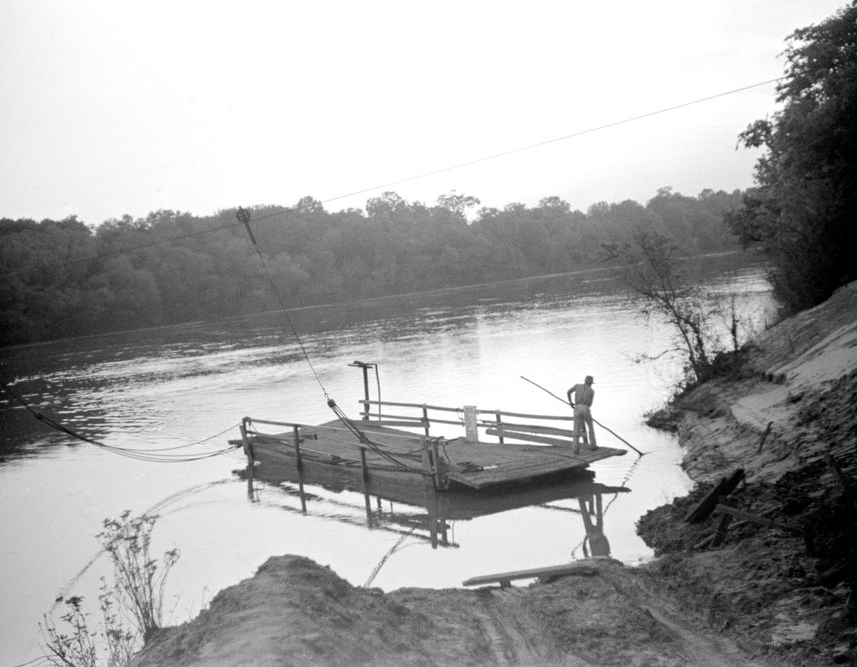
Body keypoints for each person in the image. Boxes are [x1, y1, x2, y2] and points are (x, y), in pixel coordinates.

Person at [567, 375, 596, 453]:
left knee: (576, 429)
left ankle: (575, 449)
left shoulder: (577, 386)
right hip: (586, 408)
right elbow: (590, 404)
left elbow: (568, 392)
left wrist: (571, 403)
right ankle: (593, 446)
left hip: (577, 407)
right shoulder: (591, 391)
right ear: (591, 383)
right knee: (590, 427)